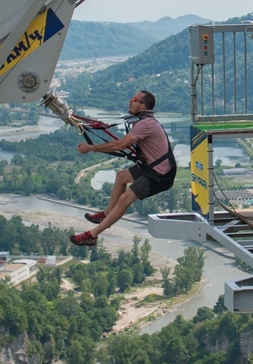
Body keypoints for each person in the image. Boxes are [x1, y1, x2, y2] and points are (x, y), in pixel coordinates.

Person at [69, 90, 176, 247]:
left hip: (159, 175)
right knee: (121, 176)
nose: (129, 101)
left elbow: (120, 145)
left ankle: (92, 235)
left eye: (133, 99)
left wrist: (92, 147)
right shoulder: (142, 121)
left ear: (142, 105)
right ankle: (106, 214)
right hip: (151, 167)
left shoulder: (146, 124)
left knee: (125, 199)